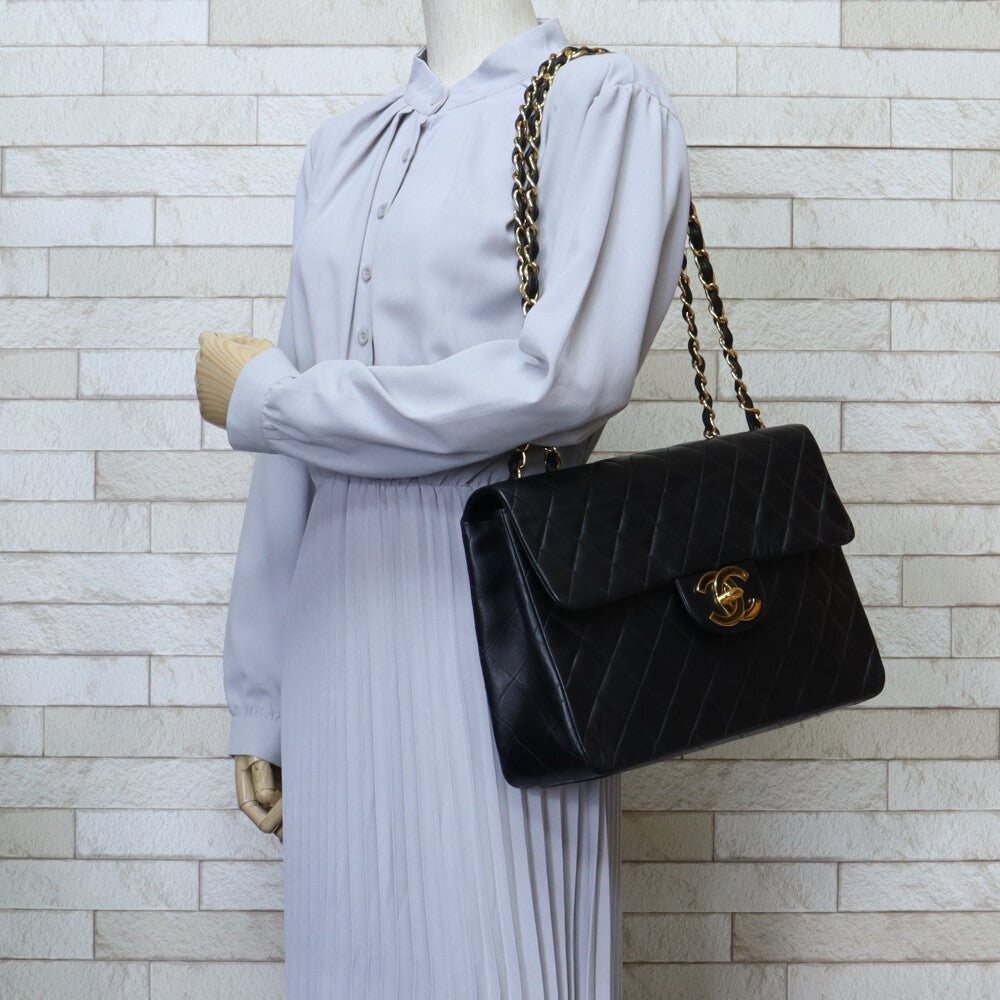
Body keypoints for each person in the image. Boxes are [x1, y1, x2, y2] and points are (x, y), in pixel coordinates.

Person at [195, 7, 691, 998]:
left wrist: (276, 400)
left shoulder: (600, 102)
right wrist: (262, 695)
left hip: (499, 611)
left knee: (492, 945)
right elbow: (293, 451)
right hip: (333, 620)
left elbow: (566, 378)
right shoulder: (343, 147)